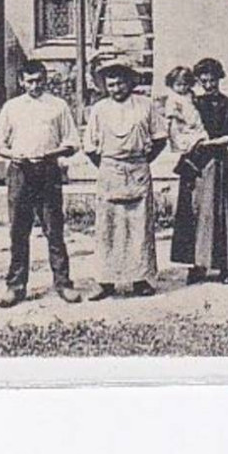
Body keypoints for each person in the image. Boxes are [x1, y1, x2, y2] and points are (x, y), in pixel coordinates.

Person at [0, 60, 83, 307]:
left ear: (46, 79)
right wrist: (13, 155)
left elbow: (72, 142)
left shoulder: (58, 106)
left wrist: (54, 153)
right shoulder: (12, 107)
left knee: (54, 229)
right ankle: (16, 286)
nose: (35, 85)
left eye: (39, 80)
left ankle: (63, 283)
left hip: (48, 171)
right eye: (29, 81)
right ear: (22, 81)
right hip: (20, 172)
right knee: (19, 231)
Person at [81, 59, 165, 299]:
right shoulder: (99, 109)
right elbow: (89, 146)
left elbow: (160, 137)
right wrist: (108, 165)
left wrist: (142, 161)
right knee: (108, 227)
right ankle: (106, 282)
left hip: (138, 169)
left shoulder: (145, 106)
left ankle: (140, 279)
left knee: (139, 226)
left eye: (120, 83)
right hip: (109, 170)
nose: (116, 89)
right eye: (111, 85)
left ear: (129, 83)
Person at [169, 57, 228, 285]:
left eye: (212, 80)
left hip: (218, 161)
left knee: (220, 213)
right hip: (195, 161)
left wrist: (211, 143)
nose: (209, 85)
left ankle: (225, 266)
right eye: (204, 81)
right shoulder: (193, 103)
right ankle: (197, 264)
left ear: (219, 79)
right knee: (194, 211)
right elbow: (180, 126)